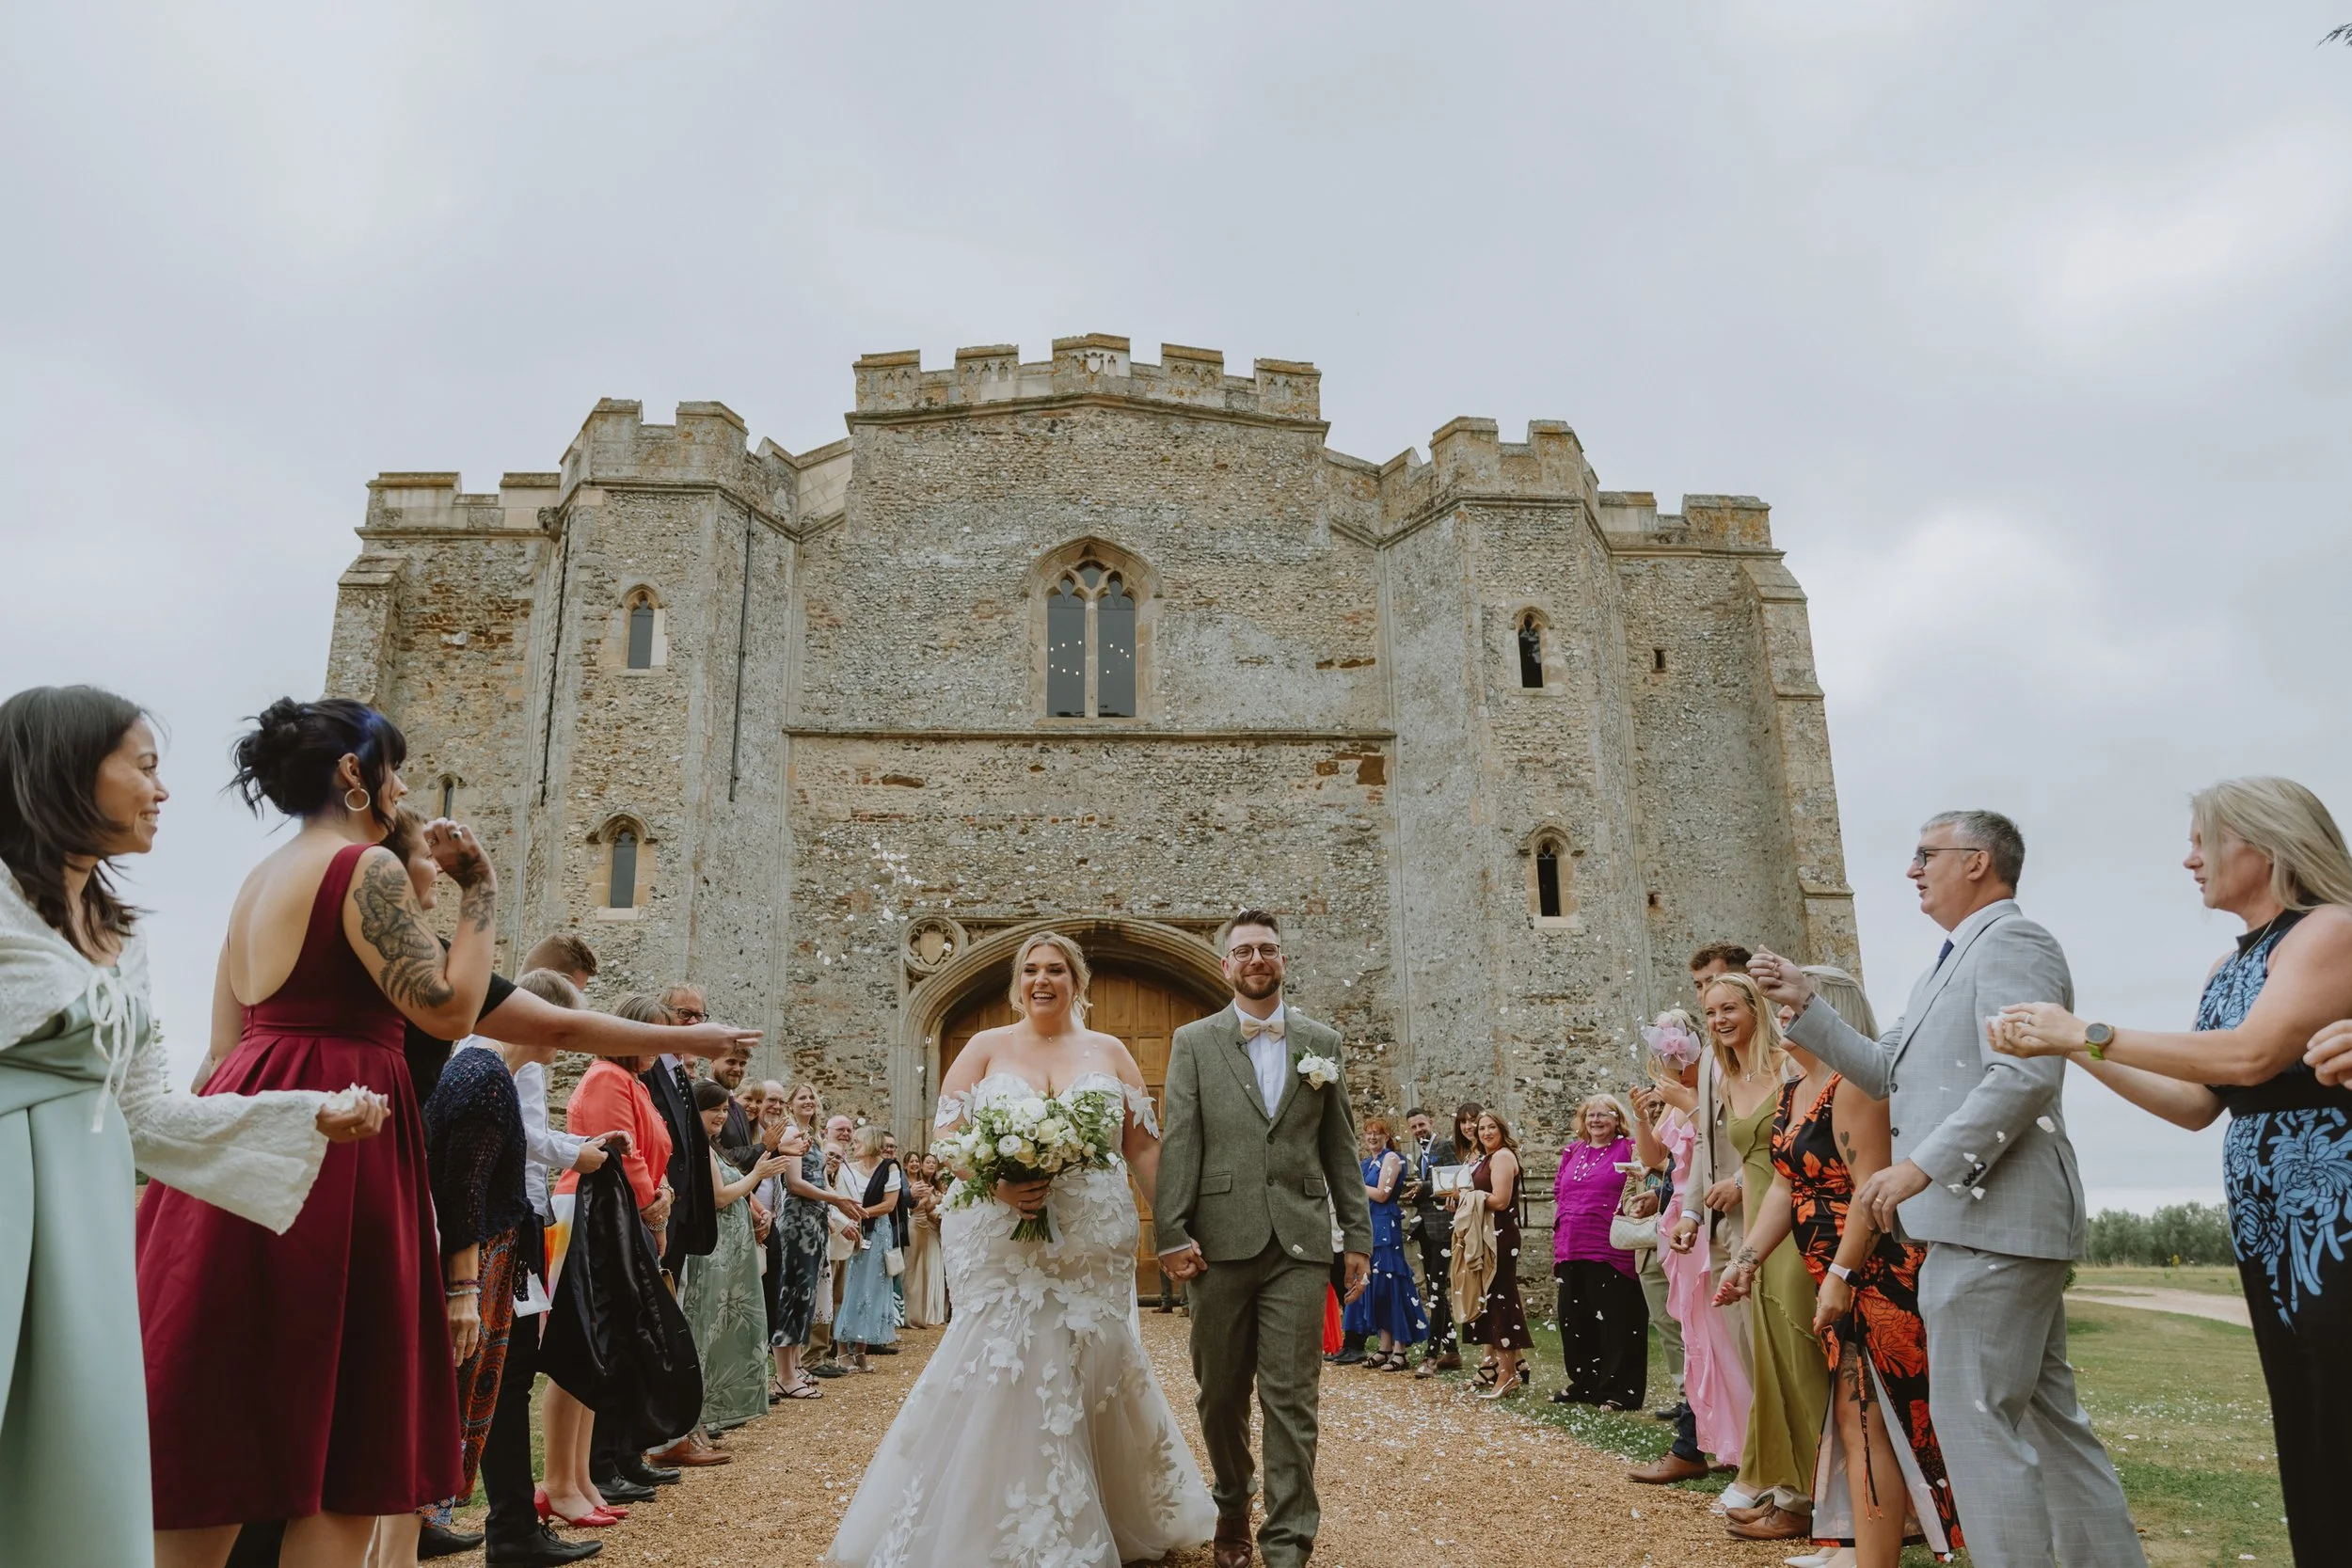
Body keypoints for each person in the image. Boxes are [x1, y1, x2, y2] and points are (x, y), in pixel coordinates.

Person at [0, 687, 389, 1568]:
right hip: (6, 1210)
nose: (163, 789)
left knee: (72, 1459)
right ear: (68, 769)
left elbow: (148, 1115)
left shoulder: (120, 933)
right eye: (143, 765)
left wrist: (307, 1114)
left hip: (81, 1235)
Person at [132, 697, 489, 1568]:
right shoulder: (363, 868)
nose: (404, 788)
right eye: (395, 767)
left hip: (243, 1128)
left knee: (218, 1417)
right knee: (344, 1442)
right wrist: (481, 889)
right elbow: (446, 1009)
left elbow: (223, 1048)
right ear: (353, 774)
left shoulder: (254, 884)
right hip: (342, 1141)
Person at [1752, 809, 2146, 1568]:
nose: (1912, 869)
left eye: (1925, 854)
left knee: (1978, 1429)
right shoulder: (1945, 961)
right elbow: (1881, 1067)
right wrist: (1804, 999)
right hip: (1979, 1225)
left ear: (1978, 861)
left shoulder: (2014, 942)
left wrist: (1921, 1166)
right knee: (2048, 1423)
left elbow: (2026, 1073)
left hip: (1990, 1218)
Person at [1986, 778, 2352, 1565]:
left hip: (2333, 1208)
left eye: (2203, 839)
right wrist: (2072, 1047)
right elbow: (2195, 1100)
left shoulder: (2327, 930)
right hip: (2267, 1219)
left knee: (2340, 1403)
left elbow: (2253, 1053)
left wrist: (2089, 1029)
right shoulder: (2229, 962)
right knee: (2304, 1410)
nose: (2190, 858)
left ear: (2265, 841)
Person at [828, 930, 1216, 1565]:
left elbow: (1144, 1146)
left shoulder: (1110, 1050)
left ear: (1077, 980)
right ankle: (995, 1521)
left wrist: (1173, 1227)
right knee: (1009, 1356)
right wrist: (997, 1182)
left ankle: (1113, 1507)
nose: (1043, 979)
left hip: (1091, 1234)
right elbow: (948, 1135)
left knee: (1090, 1355)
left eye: (1057, 969)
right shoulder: (984, 1047)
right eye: (1031, 969)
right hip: (1003, 1232)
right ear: (1016, 982)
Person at [1716, 979, 1963, 1564]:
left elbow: (1870, 1192)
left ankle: (1876, 1553)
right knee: (1854, 1419)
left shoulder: (1852, 1088)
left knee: (1873, 1418)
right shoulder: (1793, 1090)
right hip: (1829, 1270)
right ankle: (1858, 1546)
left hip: (1875, 1274)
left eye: (1791, 1006)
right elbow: (1784, 1183)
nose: (1778, 1017)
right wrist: (1747, 1259)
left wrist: (1841, 1276)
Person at [472, 969, 612, 1566]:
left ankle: (512, 1524)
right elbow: (520, 1140)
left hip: (519, 1229)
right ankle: (508, 1528)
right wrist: (579, 1153)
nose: (563, 1048)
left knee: (510, 1379)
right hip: (495, 1237)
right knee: (499, 1382)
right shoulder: (487, 1065)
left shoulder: (506, 1059)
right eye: (560, 1031)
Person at [1699, 971, 1826, 1543]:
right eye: (1709, 1012)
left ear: (1754, 1007)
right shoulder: (1727, 1081)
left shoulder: (1791, 1065)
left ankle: (1831, 1494)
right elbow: (1749, 1164)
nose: (1720, 1020)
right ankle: (1789, 1486)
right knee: (1768, 1360)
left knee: (1804, 1359)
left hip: (1799, 1223)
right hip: (1756, 1222)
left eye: (1729, 1008)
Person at [413, 973, 535, 1562]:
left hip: (480, 1254)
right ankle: (419, 1519)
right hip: (475, 1258)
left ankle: (422, 1520)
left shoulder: (475, 1071)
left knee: (454, 1392)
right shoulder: (486, 1078)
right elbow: (464, 1188)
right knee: (453, 1388)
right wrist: (464, 1287)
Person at [544, 997, 676, 1523]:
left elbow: (653, 1153)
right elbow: (620, 1156)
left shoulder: (635, 1083)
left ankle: (580, 1476)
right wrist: (653, 1208)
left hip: (621, 1214)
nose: (660, 1047)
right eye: (652, 1035)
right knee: (583, 1342)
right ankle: (562, 1478)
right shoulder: (605, 1078)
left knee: (603, 1345)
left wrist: (659, 1197)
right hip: (594, 1213)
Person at [1629, 1008, 1751, 1486]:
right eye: (1661, 1033)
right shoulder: (1676, 1098)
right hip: (1679, 1219)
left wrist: (1687, 1100)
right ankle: (1712, 1438)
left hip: (1709, 1219)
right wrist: (1643, 1116)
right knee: (1694, 1336)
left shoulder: (1716, 1085)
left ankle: (1710, 1442)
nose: (1668, 1041)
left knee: (1716, 1336)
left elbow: (1718, 1146)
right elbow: (1656, 1158)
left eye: (1676, 1030)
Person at [683, 1079, 790, 1432]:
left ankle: (710, 1414)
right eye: (713, 1108)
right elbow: (719, 1196)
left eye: (724, 1109)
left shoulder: (713, 1147)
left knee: (727, 1333)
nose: (721, 1115)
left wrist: (758, 1208)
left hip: (729, 1255)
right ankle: (692, 1422)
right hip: (712, 1254)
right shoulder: (698, 1145)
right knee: (706, 1332)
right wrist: (758, 1172)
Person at [1549, 1093, 1647, 1411]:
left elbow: (1640, 1185)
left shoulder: (1628, 1147)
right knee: (1575, 1319)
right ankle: (1584, 1383)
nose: (1596, 1120)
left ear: (1617, 1119)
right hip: (1571, 1247)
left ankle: (1620, 1390)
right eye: (1590, 1114)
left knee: (1617, 1322)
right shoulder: (1573, 1150)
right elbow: (1558, 1190)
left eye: (1604, 1114)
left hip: (1611, 1248)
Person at [768, 1083, 860, 1397]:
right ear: (790, 1105)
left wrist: (834, 1213)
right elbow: (795, 1183)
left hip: (816, 1220)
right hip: (798, 1222)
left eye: (812, 1097)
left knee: (807, 1295)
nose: (809, 1101)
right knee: (793, 1290)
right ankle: (783, 1375)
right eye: (802, 1097)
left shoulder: (814, 1138)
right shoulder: (791, 1134)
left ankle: (794, 1367)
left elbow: (818, 1180)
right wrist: (836, 1201)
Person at [1341, 1117, 1426, 1370]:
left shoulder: (1392, 1159)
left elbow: (1382, 1193)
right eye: (1368, 1133)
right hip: (1368, 1227)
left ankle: (1400, 1350)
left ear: (1387, 1136)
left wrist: (1354, 1183)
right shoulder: (1367, 1162)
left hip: (1385, 1226)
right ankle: (1384, 1346)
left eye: (1378, 1133)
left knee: (1392, 1286)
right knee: (1375, 1286)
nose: (1372, 1138)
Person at [1456, 1109, 1531, 1400]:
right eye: (1482, 1128)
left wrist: (1466, 1198)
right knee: (1491, 1300)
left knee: (1502, 1300)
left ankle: (1507, 1373)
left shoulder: (1501, 1157)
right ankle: (1504, 1367)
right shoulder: (1485, 1158)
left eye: (1491, 1128)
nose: (1485, 1132)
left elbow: (1499, 1200)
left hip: (1499, 1235)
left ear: (1502, 1130)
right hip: (1485, 1233)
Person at [830, 1123, 903, 1370]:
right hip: (849, 1230)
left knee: (870, 1291)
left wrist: (859, 1213)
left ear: (871, 1143)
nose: (853, 1145)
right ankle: (841, 1352)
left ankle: (861, 1352)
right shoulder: (847, 1169)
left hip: (877, 1232)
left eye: (858, 1142)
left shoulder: (889, 1167)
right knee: (848, 1287)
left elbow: (889, 1204)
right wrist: (849, 1218)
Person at [1400, 1107, 1461, 1375]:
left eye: (1421, 1125)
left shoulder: (1445, 1146)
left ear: (1431, 1122)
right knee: (1436, 1291)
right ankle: (1453, 1352)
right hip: (1426, 1227)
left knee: (1436, 1292)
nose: (1418, 1131)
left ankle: (1431, 1357)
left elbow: (1452, 1184)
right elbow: (1428, 1187)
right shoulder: (1420, 1154)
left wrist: (1423, 1187)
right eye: (1413, 1127)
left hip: (1444, 1228)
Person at [902, 1150, 947, 1328]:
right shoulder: (911, 1185)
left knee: (930, 1268)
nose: (915, 1164)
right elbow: (918, 1207)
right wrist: (935, 1199)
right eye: (912, 1161)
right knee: (917, 1267)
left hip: (930, 1227)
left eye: (933, 1162)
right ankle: (915, 1314)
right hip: (917, 1224)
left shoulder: (928, 1184)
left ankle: (930, 1311)